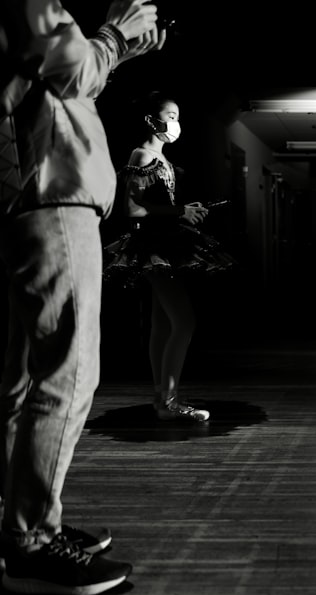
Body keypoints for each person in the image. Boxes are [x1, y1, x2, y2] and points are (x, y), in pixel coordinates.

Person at [0, 0, 167, 595]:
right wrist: (115, 32)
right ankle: (29, 538)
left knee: (27, 371)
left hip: (27, 196)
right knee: (70, 371)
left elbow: (62, 79)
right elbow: (75, 69)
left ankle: (21, 520)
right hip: (54, 196)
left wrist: (119, 46)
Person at [102, 91, 235, 422]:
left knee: (162, 324)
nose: (175, 123)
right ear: (152, 120)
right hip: (153, 248)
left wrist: (185, 212)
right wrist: (180, 212)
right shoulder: (142, 155)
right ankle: (169, 400)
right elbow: (131, 209)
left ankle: (164, 399)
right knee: (184, 321)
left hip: (165, 244)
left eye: (177, 116)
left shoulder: (161, 159)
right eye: (170, 116)